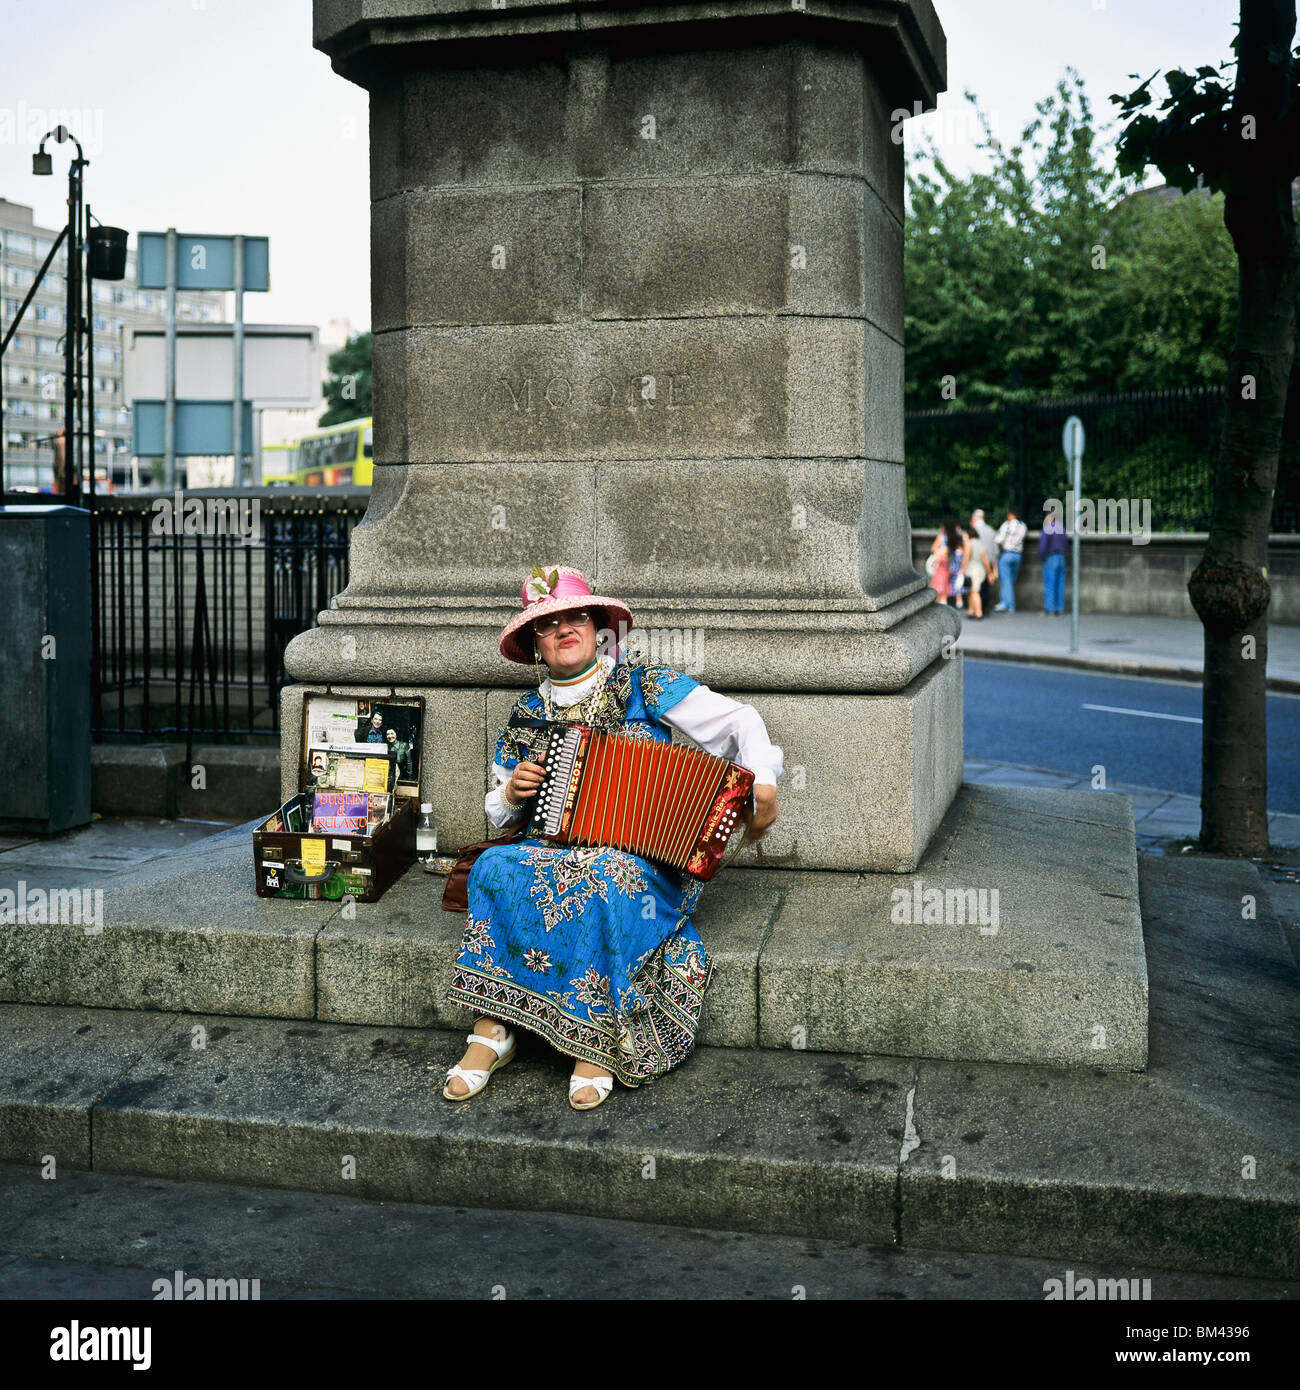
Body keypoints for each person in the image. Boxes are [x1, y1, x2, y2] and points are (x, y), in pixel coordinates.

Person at [443, 565, 783, 1111]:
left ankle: (596, 1042)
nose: (564, 630)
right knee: (494, 869)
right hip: (551, 846)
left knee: (602, 876)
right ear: (535, 645)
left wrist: (762, 783)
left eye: (575, 616)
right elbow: (500, 807)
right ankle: (494, 1029)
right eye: (547, 625)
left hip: (645, 857)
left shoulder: (644, 685)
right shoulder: (528, 713)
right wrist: (513, 795)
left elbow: (739, 722)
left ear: (597, 626)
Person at [957, 524, 995, 620]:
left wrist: (961, 569)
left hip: (972, 569)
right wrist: (989, 573)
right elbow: (986, 561)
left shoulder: (969, 544)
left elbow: (966, 557)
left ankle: (978, 612)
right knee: (971, 591)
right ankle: (971, 611)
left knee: (974, 592)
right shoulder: (981, 544)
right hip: (980, 570)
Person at [993, 508, 1027, 612]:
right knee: (1011, 580)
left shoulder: (1006, 525)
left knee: (1005, 581)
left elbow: (999, 540)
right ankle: (1007, 603)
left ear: (1010, 515)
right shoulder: (1023, 526)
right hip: (1018, 555)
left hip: (1006, 554)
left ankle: (1008, 604)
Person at [1039, 506, 1068, 614]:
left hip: (1051, 558)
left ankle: (1049, 608)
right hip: (1061, 557)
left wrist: (1042, 556)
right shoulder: (1062, 528)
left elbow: (1043, 546)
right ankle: (1060, 608)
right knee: (1060, 584)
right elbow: (1066, 543)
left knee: (1049, 584)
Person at [970, 509, 1000, 613]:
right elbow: (995, 549)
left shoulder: (973, 529)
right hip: (990, 561)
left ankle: (978, 609)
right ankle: (985, 606)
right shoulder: (991, 530)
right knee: (986, 586)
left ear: (974, 518)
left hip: (977, 562)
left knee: (976, 587)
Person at [927, 521, 959, 605]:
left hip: (941, 561)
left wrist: (938, 555)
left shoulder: (942, 537)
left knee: (938, 585)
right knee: (946, 585)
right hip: (951, 563)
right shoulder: (954, 537)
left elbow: (933, 548)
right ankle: (944, 602)